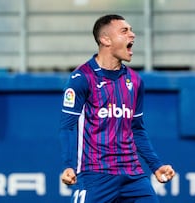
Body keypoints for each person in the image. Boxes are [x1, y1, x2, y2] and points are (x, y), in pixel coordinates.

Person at [59, 14, 175, 203]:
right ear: (105, 39)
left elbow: (136, 128)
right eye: (124, 31)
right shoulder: (81, 78)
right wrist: (68, 165)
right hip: (96, 175)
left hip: (133, 175)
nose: (133, 35)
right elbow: (68, 127)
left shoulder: (135, 81)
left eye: (131, 30)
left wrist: (156, 165)